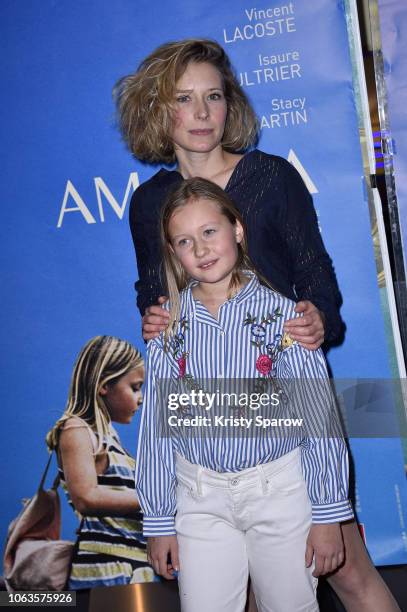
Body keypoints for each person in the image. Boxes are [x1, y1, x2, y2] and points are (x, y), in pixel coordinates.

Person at [115, 39, 400, 612]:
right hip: (206, 423)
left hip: (282, 404)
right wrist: (154, 313)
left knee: (344, 570)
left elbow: (316, 276)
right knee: (232, 593)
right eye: (183, 99)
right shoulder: (149, 205)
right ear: (155, 110)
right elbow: (154, 290)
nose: (201, 114)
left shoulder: (270, 178)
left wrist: (318, 315)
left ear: (230, 104)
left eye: (213, 96)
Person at [135, 177, 355, 612]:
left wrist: (329, 515)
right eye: (184, 241)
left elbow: (319, 420)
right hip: (198, 499)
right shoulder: (166, 328)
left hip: (280, 492)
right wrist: (159, 521)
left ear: (237, 229)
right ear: (172, 252)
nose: (200, 250)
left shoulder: (285, 318)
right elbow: (157, 429)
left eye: (210, 232)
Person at [46, 335, 154, 589]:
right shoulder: (76, 430)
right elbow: (86, 497)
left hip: (134, 569)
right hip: (106, 572)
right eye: (136, 387)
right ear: (104, 385)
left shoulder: (111, 440)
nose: (141, 398)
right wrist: (157, 498)